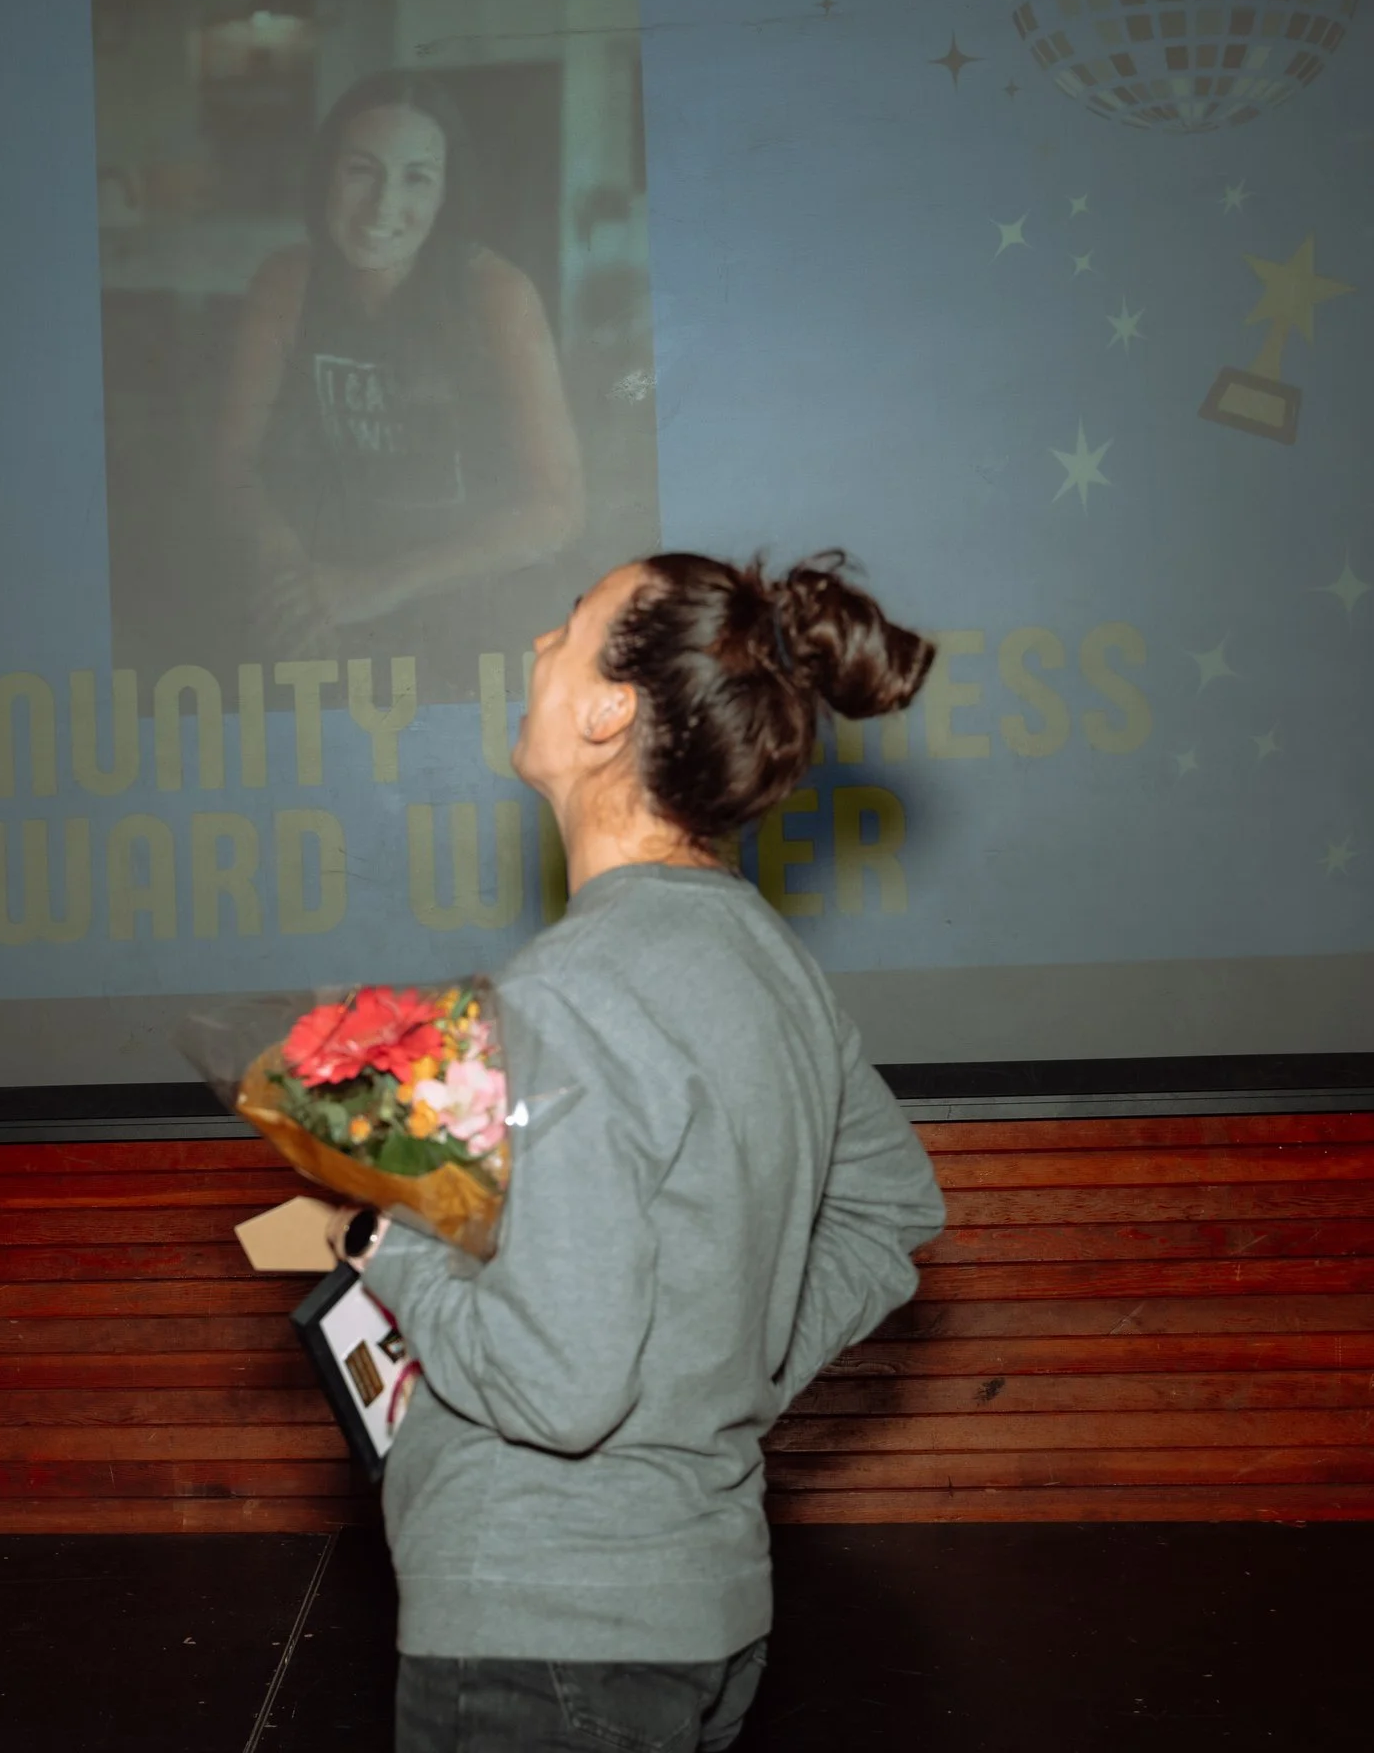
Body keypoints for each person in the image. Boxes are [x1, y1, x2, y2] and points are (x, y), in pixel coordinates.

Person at [333, 551, 949, 1753]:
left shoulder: (564, 989)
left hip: (539, 1629)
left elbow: (558, 1391)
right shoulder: (774, 966)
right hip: (700, 1617)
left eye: (568, 628)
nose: (534, 652)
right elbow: (888, 1210)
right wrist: (730, 1367)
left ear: (610, 709)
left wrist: (385, 1245)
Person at [211, 70, 586, 678]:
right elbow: (232, 462)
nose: (384, 205)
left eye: (417, 177)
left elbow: (560, 508)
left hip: (475, 607)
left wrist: (377, 587)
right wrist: (292, 581)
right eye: (361, 170)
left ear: (446, 194)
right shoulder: (286, 282)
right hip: (322, 598)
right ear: (326, 175)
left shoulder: (499, 294)